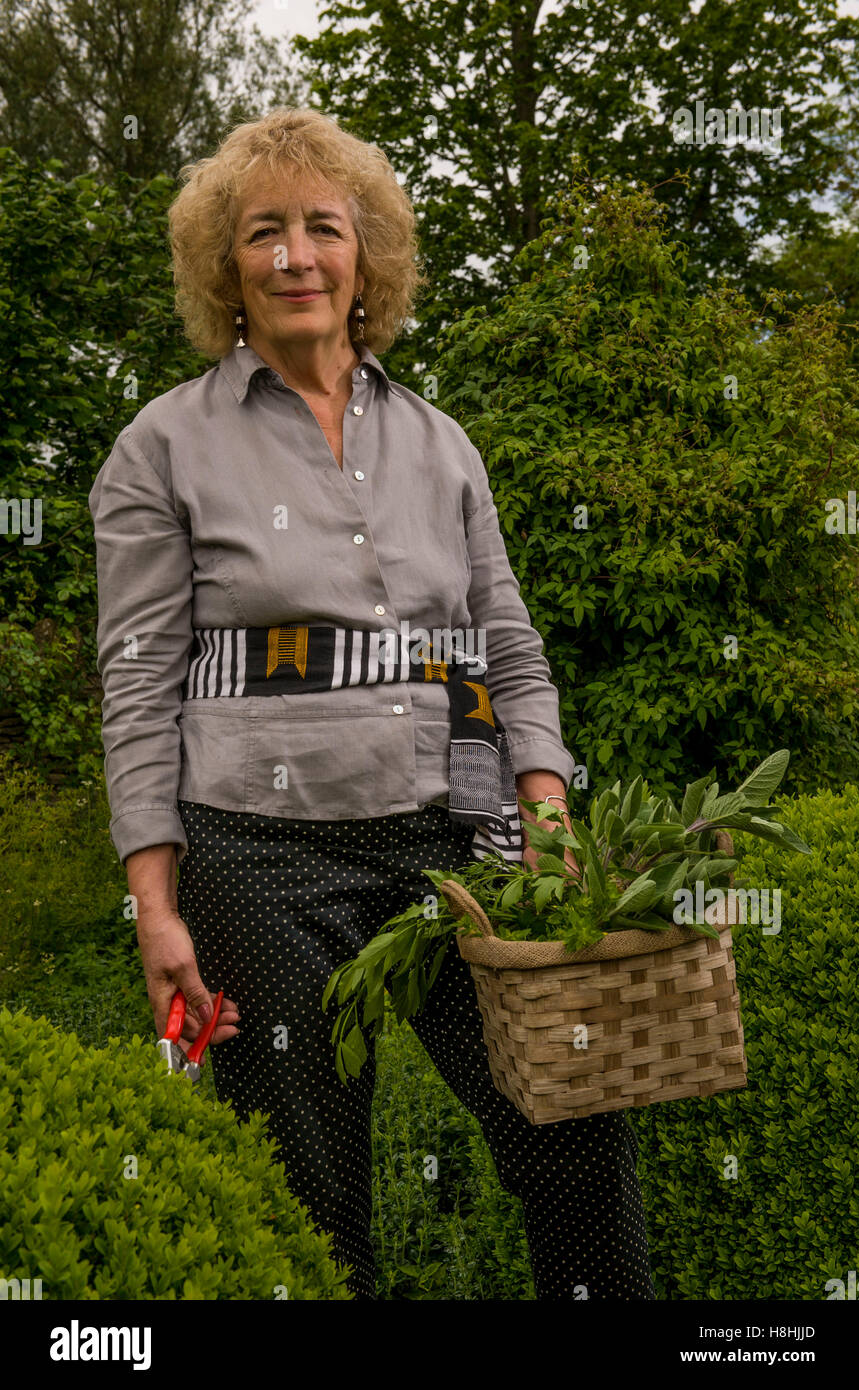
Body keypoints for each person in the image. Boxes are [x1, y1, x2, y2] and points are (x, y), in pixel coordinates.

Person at [88, 106, 656, 1301]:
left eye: (322, 228)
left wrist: (543, 796)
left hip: (458, 841)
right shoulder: (160, 449)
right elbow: (137, 677)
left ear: (367, 262)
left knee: (573, 1128)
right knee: (310, 1188)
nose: (296, 256)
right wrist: (154, 902)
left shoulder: (443, 445)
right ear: (223, 270)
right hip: (252, 855)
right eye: (263, 234)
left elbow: (505, 638)